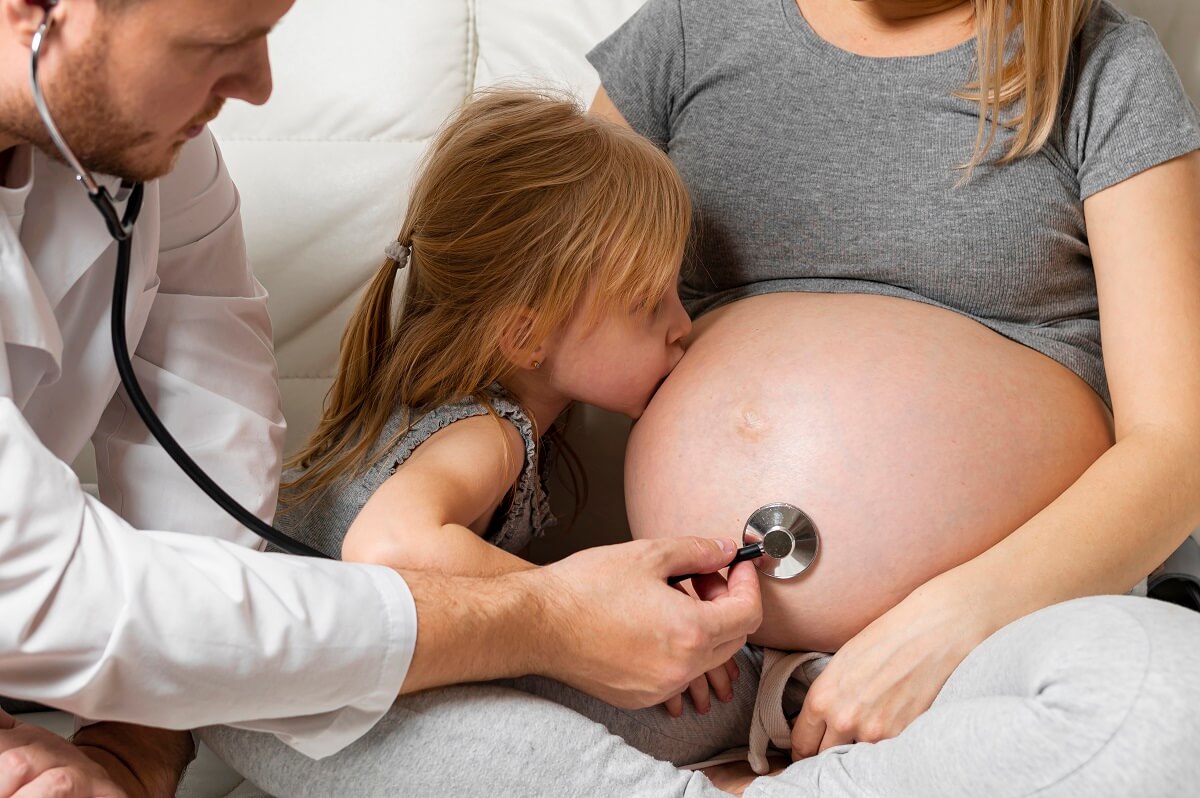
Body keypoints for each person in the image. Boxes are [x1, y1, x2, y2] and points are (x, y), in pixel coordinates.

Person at [202, 0, 1200, 796]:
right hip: (684, 662)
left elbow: (1178, 446)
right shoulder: (694, 30)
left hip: (984, 651)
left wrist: (953, 622)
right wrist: (586, 617)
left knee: (1175, 704)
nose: (671, 314)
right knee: (256, 677)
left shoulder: (1103, 65)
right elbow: (541, 293)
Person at [0, 0, 761, 795]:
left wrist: (130, 755)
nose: (262, 86)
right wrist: (564, 616)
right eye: (223, 42)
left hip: (247, 658)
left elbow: (207, 492)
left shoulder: (156, 160)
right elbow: (53, 582)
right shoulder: (488, 432)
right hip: (274, 668)